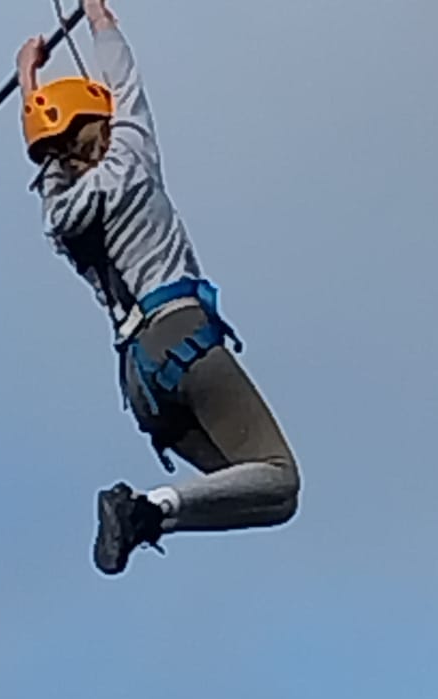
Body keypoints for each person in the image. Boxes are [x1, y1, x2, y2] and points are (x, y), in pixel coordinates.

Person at [17, 0, 299, 575]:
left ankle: (151, 516)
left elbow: (48, 158)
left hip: (140, 378)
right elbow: (125, 78)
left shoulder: (61, 216)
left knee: (266, 498)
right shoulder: (132, 160)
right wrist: (97, 16)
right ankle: (145, 508)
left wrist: (29, 81)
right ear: (102, 123)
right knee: (279, 475)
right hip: (180, 336)